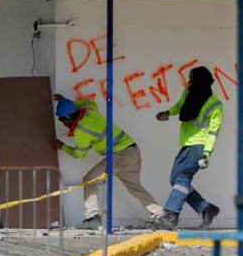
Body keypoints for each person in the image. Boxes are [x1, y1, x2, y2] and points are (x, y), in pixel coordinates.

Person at [51, 94, 163, 229]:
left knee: (89, 180)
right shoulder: (91, 111)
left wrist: (62, 146)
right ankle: (160, 215)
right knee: (135, 188)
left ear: (67, 118)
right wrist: (66, 101)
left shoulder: (81, 130)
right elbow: (89, 102)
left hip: (118, 156)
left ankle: (92, 218)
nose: (63, 124)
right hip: (133, 151)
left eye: (62, 121)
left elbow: (79, 154)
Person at [154, 66, 223, 230]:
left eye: (191, 78)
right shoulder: (189, 92)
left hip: (198, 146)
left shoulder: (215, 105)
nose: (189, 81)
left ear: (199, 80)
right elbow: (180, 105)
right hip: (187, 144)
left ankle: (171, 215)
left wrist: (206, 154)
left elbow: (213, 132)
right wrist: (168, 113)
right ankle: (206, 208)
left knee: (181, 178)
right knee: (176, 179)